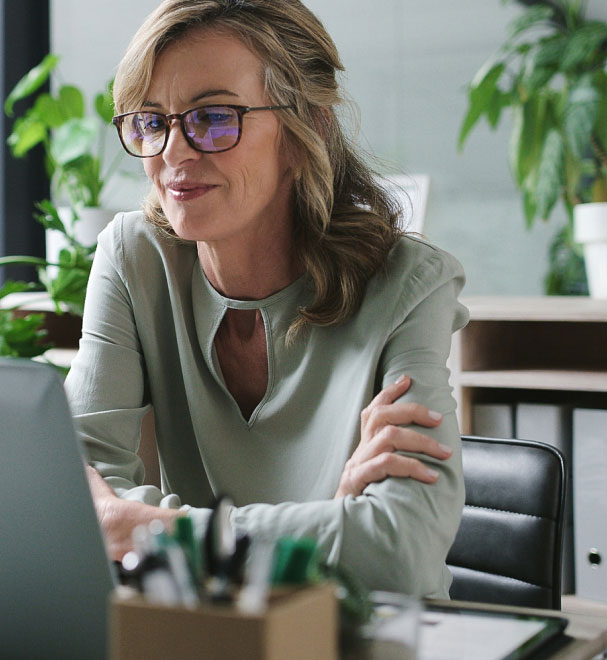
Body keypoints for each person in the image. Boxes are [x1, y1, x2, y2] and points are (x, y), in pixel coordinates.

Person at [66, 0, 467, 597]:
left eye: (214, 117)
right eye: (151, 121)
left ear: (309, 130)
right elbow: (71, 504)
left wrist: (147, 529)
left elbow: (398, 549)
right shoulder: (135, 258)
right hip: (202, 637)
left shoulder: (409, 285)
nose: (173, 153)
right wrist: (329, 522)